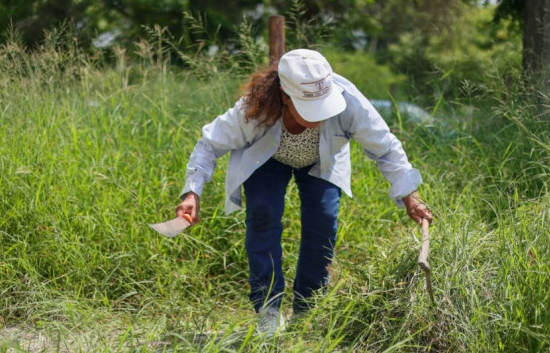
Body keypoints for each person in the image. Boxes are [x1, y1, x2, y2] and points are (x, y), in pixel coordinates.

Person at [176, 49, 433, 337]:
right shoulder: (254, 109)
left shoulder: (349, 102)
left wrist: (410, 195)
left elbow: (385, 147)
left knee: (323, 220)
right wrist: (192, 192)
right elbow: (210, 144)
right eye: (310, 108)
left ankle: (307, 308)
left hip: (322, 162)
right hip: (267, 161)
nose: (319, 116)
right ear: (285, 98)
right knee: (263, 214)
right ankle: (269, 308)